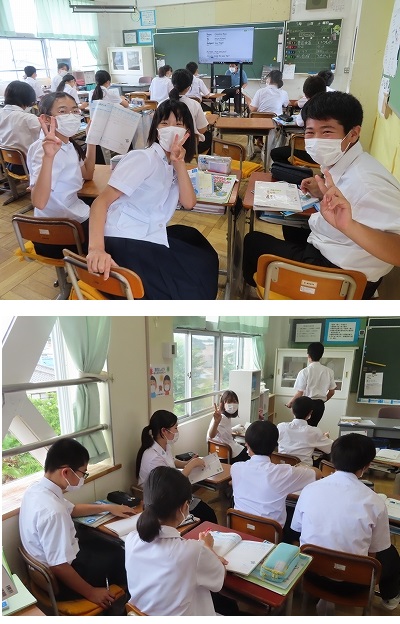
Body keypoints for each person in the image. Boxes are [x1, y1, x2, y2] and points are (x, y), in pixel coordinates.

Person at [242, 91, 400, 299]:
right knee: (291, 227)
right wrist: (320, 193)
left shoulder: (368, 184)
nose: (316, 140)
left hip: (341, 278)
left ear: (353, 133)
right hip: (336, 251)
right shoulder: (346, 163)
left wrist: (349, 226)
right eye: (310, 132)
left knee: (253, 242)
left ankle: (253, 292)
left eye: (326, 132)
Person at [86, 98, 219, 299]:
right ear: (156, 131)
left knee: (196, 244)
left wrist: (179, 163)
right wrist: (96, 249)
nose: (171, 129)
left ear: (187, 133)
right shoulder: (143, 158)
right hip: (124, 238)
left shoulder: (171, 163)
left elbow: (189, 203)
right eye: (164, 123)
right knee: (191, 286)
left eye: (178, 124)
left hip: (146, 231)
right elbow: (100, 202)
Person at [19, 438, 135, 609]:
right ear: (66, 472)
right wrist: (91, 592)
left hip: (53, 565)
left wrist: (108, 507)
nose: (83, 478)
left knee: (103, 543)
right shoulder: (53, 512)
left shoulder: (36, 490)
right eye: (82, 473)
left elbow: (72, 509)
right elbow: (59, 566)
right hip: (65, 579)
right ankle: (126, 606)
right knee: (123, 555)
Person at [291, 433, 400, 613]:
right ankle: (391, 599)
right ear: (367, 465)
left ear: (332, 459)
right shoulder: (375, 502)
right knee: (390, 553)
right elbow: (374, 551)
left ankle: (321, 598)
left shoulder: (309, 490)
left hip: (309, 573)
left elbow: (297, 528)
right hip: (354, 585)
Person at [126, 466, 239, 615]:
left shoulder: (131, 539)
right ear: (185, 506)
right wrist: (207, 547)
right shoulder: (192, 552)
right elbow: (219, 577)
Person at [27, 91, 96, 258]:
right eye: (63, 111)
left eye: (75, 110)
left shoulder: (66, 143)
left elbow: (87, 174)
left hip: (69, 218)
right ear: (46, 119)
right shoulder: (44, 150)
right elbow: (39, 202)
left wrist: (92, 139)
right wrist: (48, 157)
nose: (71, 116)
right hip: (61, 231)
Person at [231, 420, 321, 542]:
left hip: (239, 529)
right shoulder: (283, 472)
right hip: (272, 536)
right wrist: (302, 467)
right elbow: (317, 474)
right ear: (275, 446)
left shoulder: (236, 468)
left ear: (247, 445)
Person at [136, 410, 218, 523]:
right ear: (164, 431)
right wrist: (191, 465)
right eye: (175, 428)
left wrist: (187, 463)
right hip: (162, 500)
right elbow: (172, 484)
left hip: (170, 493)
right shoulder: (153, 457)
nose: (177, 431)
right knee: (208, 514)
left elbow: (171, 461)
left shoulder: (164, 445)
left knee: (206, 510)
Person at [270, 75, 326, 164]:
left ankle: (293, 171)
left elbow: (299, 123)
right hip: (331, 154)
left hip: (311, 153)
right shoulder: (331, 105)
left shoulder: (308, 107)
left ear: (305, 93)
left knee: (275, 153)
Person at [285, 342, 336, 428]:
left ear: (308, 355)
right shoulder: (329, 372)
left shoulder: (304, 372)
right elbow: (332, 392)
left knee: (302, 428)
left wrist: (290, 403)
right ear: (321, 355)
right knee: (312, 427)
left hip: (305, 404)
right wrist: (322, 401)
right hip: (320, 406)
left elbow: (300, 393)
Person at [277, 396, 332, 466]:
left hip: (282, 467)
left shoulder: (281, 427)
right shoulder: (314, 431)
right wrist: (325, 437)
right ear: (310, 413)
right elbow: (331, 448)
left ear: (292, 410)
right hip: (304, 470)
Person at [0, 81, 40, 175]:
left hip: (8, 163)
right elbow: (47, 133)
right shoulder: (28, 118)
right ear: (27, 99)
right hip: (29, 165)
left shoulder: (1, 113)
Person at [168, 68, 212, 154]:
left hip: (167, 145)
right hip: (188, 146)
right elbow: (202, 130)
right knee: (208, 135)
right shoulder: (194, 104)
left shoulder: (161, 104)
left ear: (172, 84)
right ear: (188, 88)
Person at [247, 69, 289, 149]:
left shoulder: (260, 91)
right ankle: (272, 145)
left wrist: (248, 101)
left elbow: (253, 109)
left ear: (269, 79)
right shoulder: (283, 93)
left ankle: (258, 139)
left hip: (260, 124)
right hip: (276, 124)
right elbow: (286, 104)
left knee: (252, 117)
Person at [207, 390, 249, 463]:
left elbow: (222, 430)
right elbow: (211, 435)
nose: (232, 404)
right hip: (225, 453)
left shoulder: (226, 417)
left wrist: (234, 429)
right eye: (229, 402)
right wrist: (216, 422)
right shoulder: (221, 418)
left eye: (234, 401)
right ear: (223, 404)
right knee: (249, 453)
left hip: (219, 452)